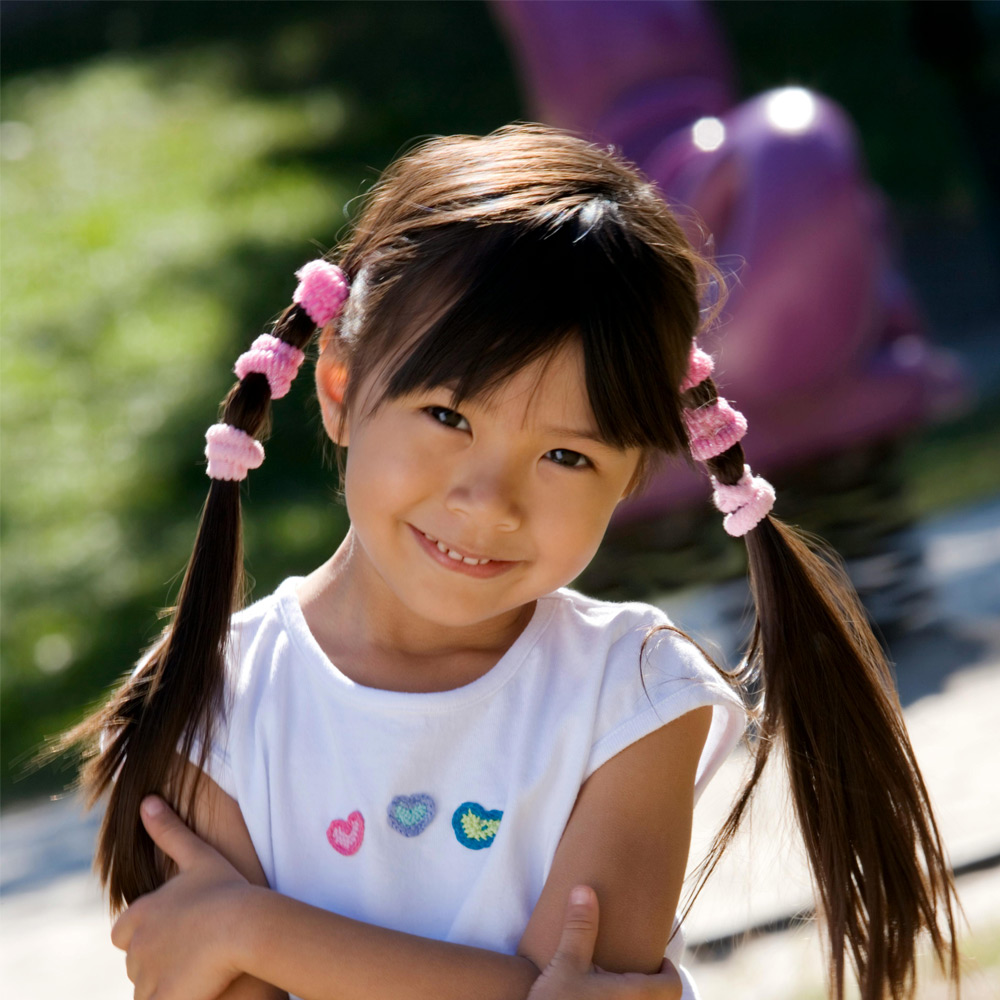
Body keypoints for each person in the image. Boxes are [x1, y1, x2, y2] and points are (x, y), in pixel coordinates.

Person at [66, 124, 959, 1000]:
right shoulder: (207, 700)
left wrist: (250, 928)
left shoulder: (634, 693)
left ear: (635, 475)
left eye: (568, 457)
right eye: (449, 417)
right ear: (338, 386)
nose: (489, 501)